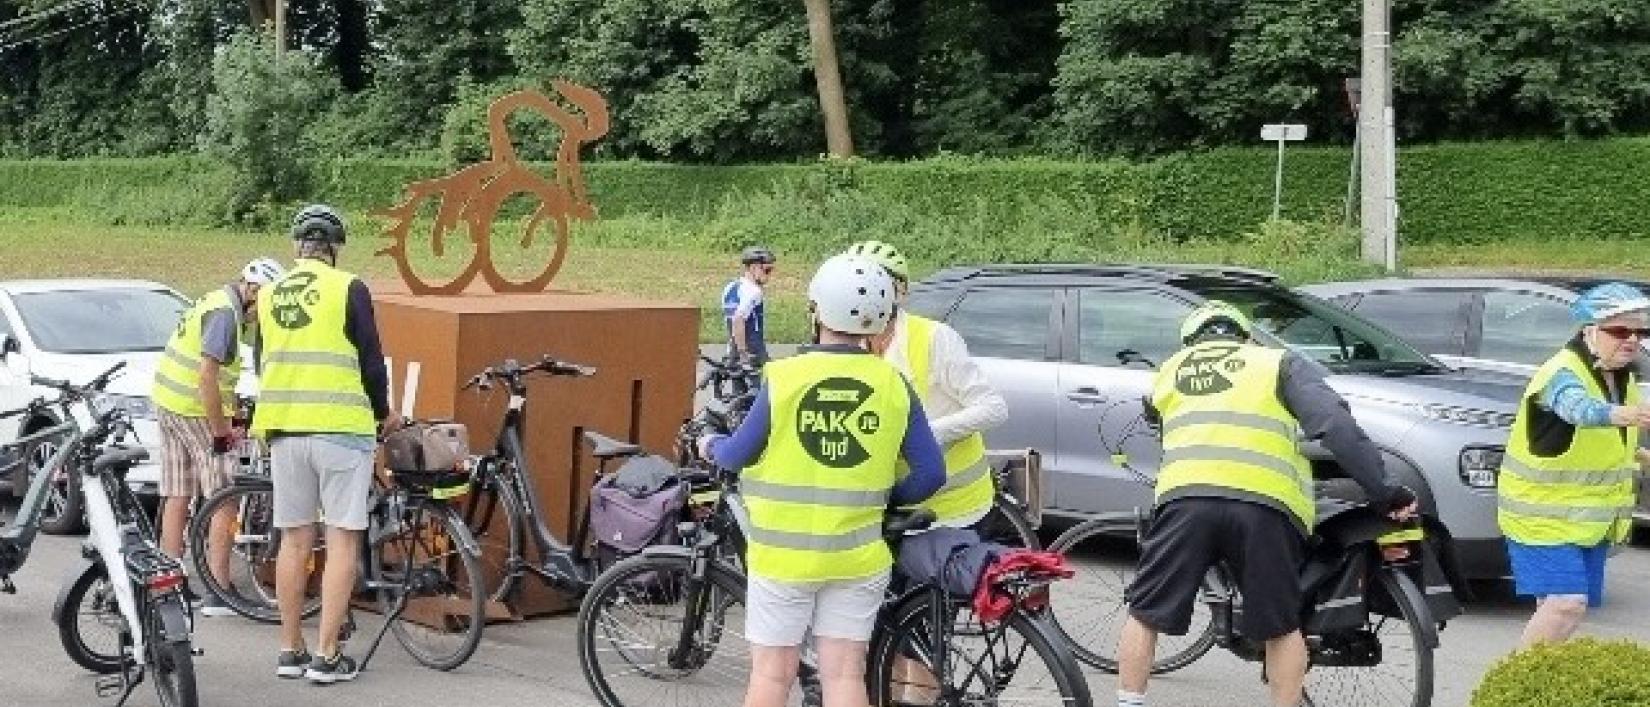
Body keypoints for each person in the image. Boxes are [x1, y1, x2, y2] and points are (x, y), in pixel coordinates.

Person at [1115, 301, 1417, 707]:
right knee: (1281, 626)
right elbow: (1336, 426)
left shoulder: (1171, 370)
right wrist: (1384, 492)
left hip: (1185, 502)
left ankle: (1129, 702)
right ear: (1245, 336)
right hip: (1265, 506)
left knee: (1144, 612)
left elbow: (1156, 421)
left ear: (1192, 341)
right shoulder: (1278, 363)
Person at [697, 253, 947, 707]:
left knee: (773, 677)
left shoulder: (786, 377)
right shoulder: (893, 383)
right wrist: (884, 499)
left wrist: (710, 444)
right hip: (857, 556)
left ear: (815, 311)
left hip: (783, 559)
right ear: (882, 319)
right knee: (846, 676)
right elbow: (931, 473)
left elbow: (736, 456)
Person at [253, 204, 400, 685]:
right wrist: (383, 412)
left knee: (294, 541)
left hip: (283, 428)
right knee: (341, 539)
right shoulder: (348, 287)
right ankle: (327, 655)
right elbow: (372, 362)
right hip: (340, 428)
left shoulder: (270, 293)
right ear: (334, 249)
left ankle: (288, 649)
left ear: (298, 247)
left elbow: (261, 362)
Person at [1499, 282, 1649, 648]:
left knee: (1556, 614)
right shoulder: (1562, 373)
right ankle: (1515, 686)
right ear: (1589, 330)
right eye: (1618, 330)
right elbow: (1576, 409)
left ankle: (1533, 690)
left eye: (1639, 330)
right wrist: (1625, 415)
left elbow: (1603, 446)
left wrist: (1641, 455)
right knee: (1567, 605)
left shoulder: (1622, 377)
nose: (1630, 339)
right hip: (1540, 519)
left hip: (1586, 524)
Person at [153, 257, 286, 617]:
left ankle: (169, 584)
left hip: (168, 402)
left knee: (178, 493)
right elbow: (207, 377)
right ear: (253, 291)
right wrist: (221, 431)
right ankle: (219, 590)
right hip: (195, 409)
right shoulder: (226, 315)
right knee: (225, 497)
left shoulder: (216, 300)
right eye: (266, 303)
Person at [846, 240, 1009, 533]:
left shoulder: (935, 338)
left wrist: (927, 434)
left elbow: (994, 408)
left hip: (954, 511)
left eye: (878, 283)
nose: (867, 293)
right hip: (887, 507)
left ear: (901, 291)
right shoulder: (847, 343)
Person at [722, 245, 776, 365]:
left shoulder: (730, 287)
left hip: (732, 351)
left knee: (738, 382)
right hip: (752, 352)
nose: (769, 276)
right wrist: (743, 353)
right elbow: (738, 319)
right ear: (753, 268)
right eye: (767, 271)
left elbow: (730, 319)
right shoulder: (753, 291)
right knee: (768, 383)